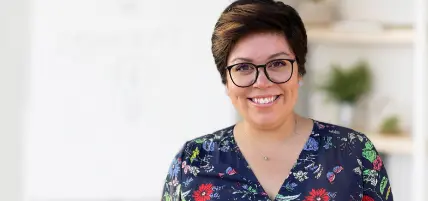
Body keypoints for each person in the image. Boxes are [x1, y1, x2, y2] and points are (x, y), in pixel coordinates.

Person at [161, 0, 393, 200]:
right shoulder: (192, 162)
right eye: (243, 67)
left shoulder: (355, 153)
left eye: (278, 64)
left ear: (300, 72)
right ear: (226, 81)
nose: (262, 82)